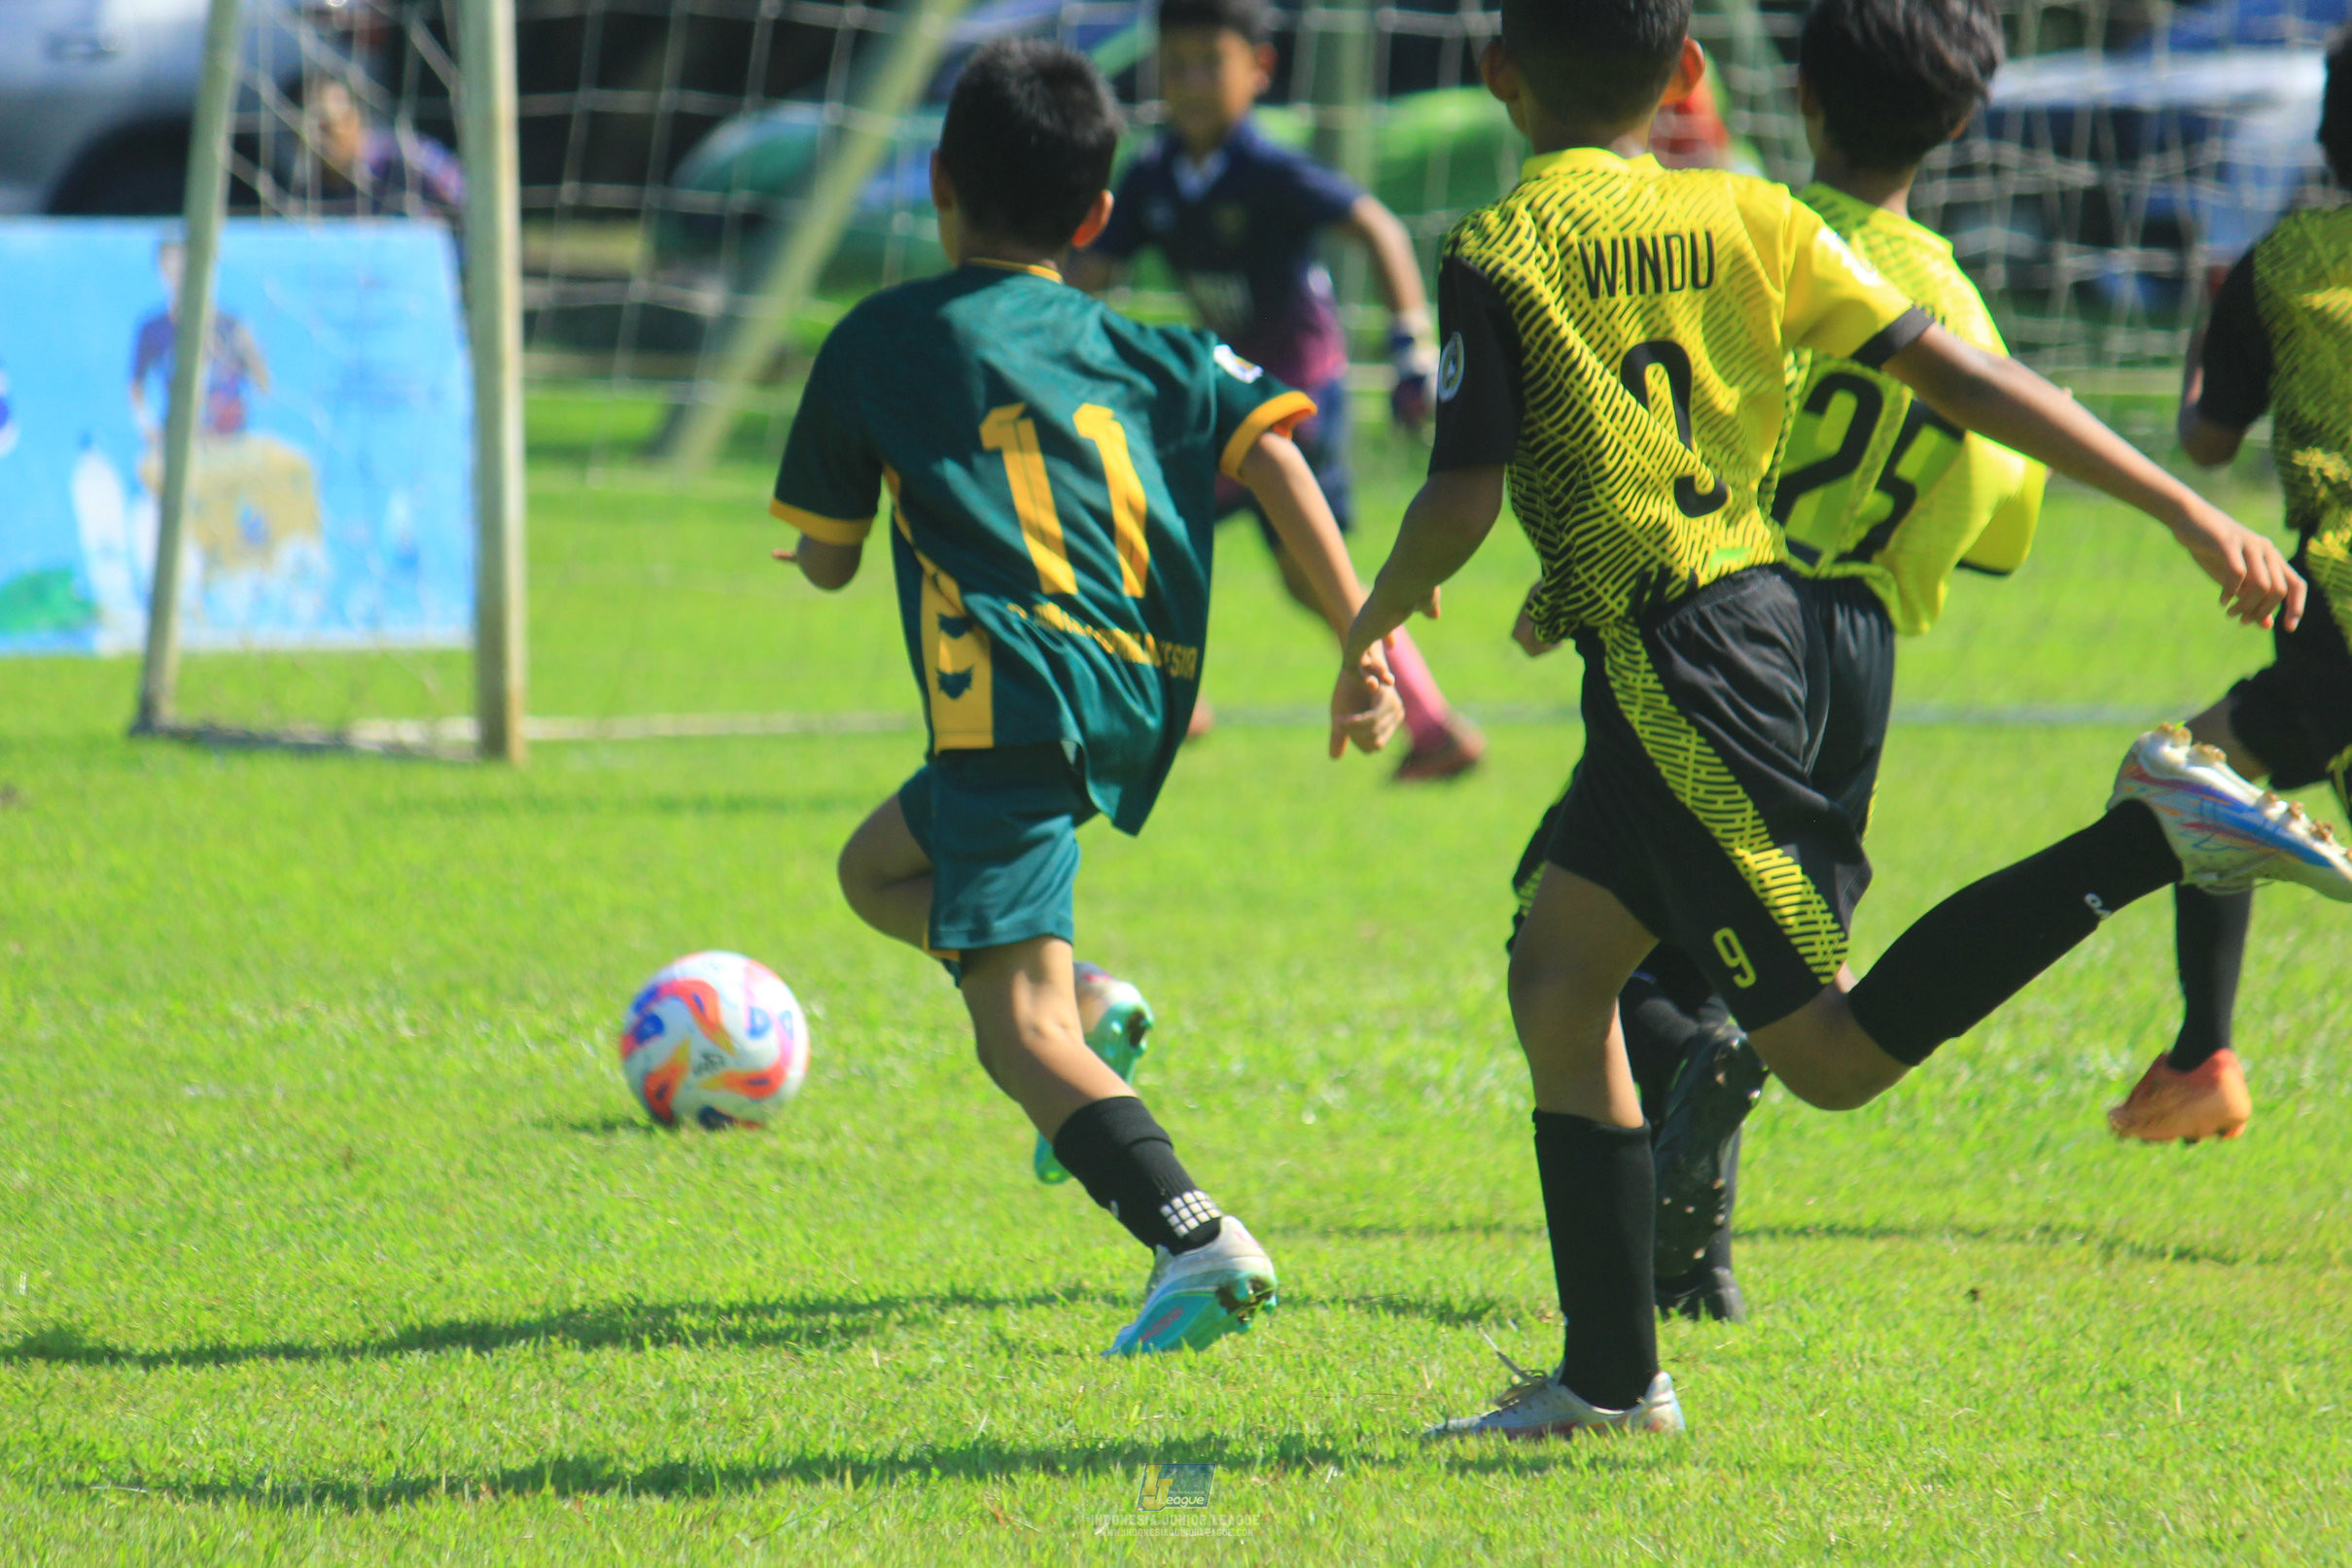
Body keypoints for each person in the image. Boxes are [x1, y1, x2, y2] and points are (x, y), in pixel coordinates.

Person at [1340, 0, 2346, 1440]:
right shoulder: (1749, 214)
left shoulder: (1495, 249)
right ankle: (1610, 1385)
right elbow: (1968, 376)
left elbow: (1455, 493)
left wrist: (1372, 621)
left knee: (1827, 1057)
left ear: (1496, 76)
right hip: (1742, 630)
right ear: (1687, 75)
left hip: (1678, 663)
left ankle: (2146, 836)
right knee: (1561, 982)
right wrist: (2183, 509)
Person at [770, 38, 1403, 1356]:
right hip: (1125, 691)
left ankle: (1191, 1235)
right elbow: (1279, 455)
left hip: (1010, 698)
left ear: (937, 184)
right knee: (875, 869)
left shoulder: (881, 341)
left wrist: (825, 543)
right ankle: (1098, 997)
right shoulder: (1148, 345)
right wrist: (1361, 634)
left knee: (1017, 1035)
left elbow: (828, 563)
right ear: (1096, 215)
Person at [1503, 0, 2045, 1325]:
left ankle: (1676, 1246)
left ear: (1794, 95)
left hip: (1729, 609)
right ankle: (1692, 1265)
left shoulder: (1748, 242)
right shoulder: (1957, 303)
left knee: (1616, 941)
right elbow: (1995, 526)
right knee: (1733, 946)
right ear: (1961, 122)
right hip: (1858, 641)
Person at [1068, 0, 1485, 780]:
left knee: (1138, 507)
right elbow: (1087, 273)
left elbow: (1381, 230)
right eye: (1175, 65)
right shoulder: (1157, 175)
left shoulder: (1269, 170)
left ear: (1257, 70)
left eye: (1208, 64)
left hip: (1297, 401)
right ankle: (1432, 727)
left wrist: (1409, 345)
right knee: (1310, 579)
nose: (1188, 83)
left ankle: (1163, 692)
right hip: (1236, 402)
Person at [2106, 29, 2352, 1145]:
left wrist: (2205, 348)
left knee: (2188, 788)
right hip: (2319, 637)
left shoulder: (2286, 264)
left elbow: (2207, 445)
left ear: (2324, 131)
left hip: (2337, 615)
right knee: (2201, 779)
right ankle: (2201, 1054)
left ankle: (2205, 1051)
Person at [305, 79, 466, 226]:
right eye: (307, 130)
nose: (316, 139)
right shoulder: (309, 193)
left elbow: (469, 202)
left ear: (354, 119)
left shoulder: (406, 157)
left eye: (327, 128)